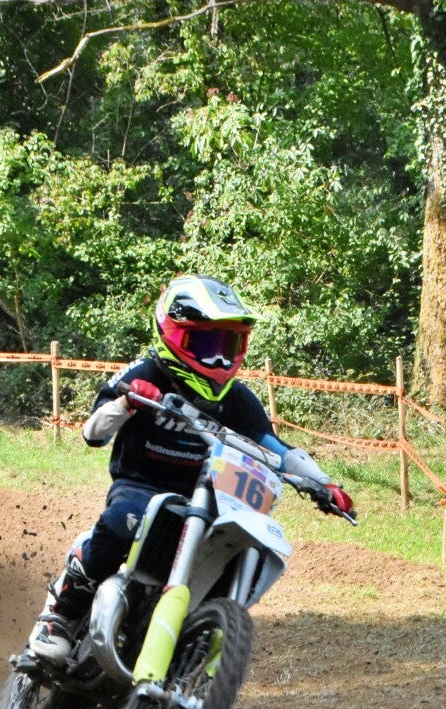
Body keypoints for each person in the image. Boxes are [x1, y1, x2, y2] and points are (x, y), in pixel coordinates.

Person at [25, 274, 354, 665]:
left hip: (212, 499)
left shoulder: (237, 399)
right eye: (206, 345)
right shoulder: (146, 372)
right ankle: (61, 616)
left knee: (233, 551)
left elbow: (278, 450)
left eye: (228, 346)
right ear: (172, 333)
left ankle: (191, 651)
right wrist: (127, 404)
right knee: (122, 522)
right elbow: (92, 433)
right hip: (142, 485)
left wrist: (324, 485)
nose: (219, 360)